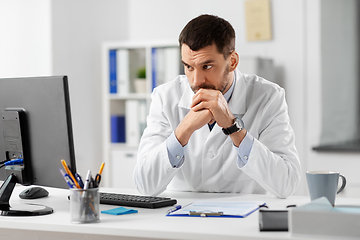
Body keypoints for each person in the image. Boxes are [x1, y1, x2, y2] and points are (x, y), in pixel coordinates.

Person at [134, 14, 300, 198]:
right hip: (179, 218)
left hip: (242, 219)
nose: (196, 81)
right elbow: (144, 186)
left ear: (233, 61)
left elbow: (286, 184)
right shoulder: (165, 97)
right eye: (189, 67)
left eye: (207, 66)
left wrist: (233, 128)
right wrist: (184, 129)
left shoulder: (268, 97)